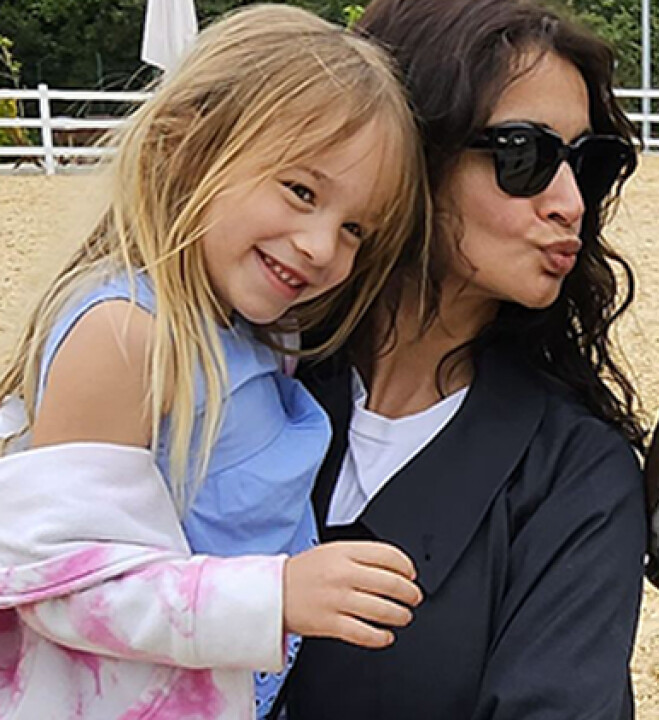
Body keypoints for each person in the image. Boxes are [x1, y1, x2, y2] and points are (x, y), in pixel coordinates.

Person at [0, 6, 429, 719]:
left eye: (356, 228)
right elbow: (61, 584)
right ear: (183, 147)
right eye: (301, 191)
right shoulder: (128, 336)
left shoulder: (257, 331)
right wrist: (275, 596)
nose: (323, 246)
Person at [279, 0, 648, 717]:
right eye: (524, 155)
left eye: (589, 164)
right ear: (411, 149)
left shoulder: (576, 477)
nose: (570, 202)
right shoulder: (244, 381)